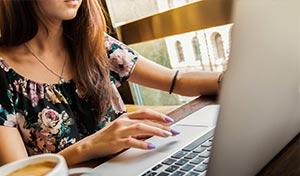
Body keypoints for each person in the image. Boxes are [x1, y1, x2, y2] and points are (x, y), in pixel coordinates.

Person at [0, 0, 221, 166]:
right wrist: (89, 147)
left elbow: (176, 80)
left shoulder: (93, 44)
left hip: (132, 169)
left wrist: (230, 79)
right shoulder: (3, 73)